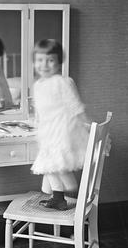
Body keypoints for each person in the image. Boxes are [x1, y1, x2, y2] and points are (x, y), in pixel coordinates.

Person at [31, 39, 90, 210]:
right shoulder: (38, 85)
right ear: (34, 62)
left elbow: (75, 106)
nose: (44, 65)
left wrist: (86, 124)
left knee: (49, 162)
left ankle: (68, 184)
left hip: (62, 130)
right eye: (40, 60)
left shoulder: (62, 81)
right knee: (48, 165)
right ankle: (59, 197)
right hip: (48, 130)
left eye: (50, 60)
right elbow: (40, 109)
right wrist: (37, 124)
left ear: (59, 62)